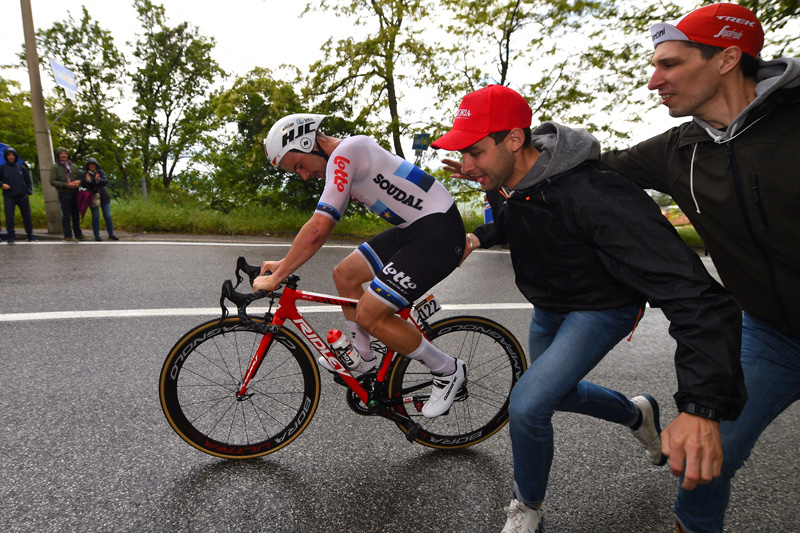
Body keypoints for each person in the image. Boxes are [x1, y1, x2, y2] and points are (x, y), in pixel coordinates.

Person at [432, 84, 745, 532]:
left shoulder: (594, 193)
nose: (465, 165)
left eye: (474, 152)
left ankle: (528, 508)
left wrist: (703, 401)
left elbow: (688, 288)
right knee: (557, 394)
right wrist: (480, 234)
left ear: (515, 140)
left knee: (528, 404)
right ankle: (638, 413)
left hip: (602, 308)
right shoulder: (512, 182)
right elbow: (518, 215)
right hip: (550, 306)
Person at [598, 4, 800, 532]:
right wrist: (519, 150)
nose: (653, 80)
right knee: (697, 459)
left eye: (669, 64)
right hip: (771, 332)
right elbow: (596, 170)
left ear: (727, 58)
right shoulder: (678, 148)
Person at [255, 113, 468, 418]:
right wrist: (284, 264)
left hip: (438, 234)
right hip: (416, 229)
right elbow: (320, 226)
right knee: (345, 275)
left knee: (370, 314)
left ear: (308, 143)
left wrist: (280, 274)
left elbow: (320, 228)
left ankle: (448, 370)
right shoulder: (344, 157)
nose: (302, 175)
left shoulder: (346, 153)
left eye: (299, 166)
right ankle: (364, 354)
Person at [0, 146, 36, 244]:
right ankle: (11, 236)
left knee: (27, 216)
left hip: (22, 195)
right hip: (9, 196)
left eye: (12, 154)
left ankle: (30, 234)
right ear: (6, 156)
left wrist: (28, 192)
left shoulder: (22, 168)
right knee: (9, 217)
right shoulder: (2, 168)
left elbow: (29, 182)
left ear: (15, 156)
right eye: (9, 155)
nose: (11, 156)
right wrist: (2, 184)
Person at [50, 147, 86, 242]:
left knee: (75, 214)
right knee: (66, 214)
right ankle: (68, 236)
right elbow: (52, 181)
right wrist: (66, 184)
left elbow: (81, 178)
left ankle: (78, 234)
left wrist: (79, 181)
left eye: (65, 153)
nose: (63, 155)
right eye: (61, 153)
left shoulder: (73, 166)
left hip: (75, 192)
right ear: (58, 156)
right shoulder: (55, 167)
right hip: (63, 192)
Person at [81, 157, 119, 241]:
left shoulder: (100, 172)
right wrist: (88, 181)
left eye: (93, 164)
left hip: (103, 196)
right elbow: (84, 185)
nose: (92, 166)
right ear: (87, 166)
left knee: (107, 215)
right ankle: (96, 235)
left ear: (96, 165)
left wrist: (98, 179)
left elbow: (105, 181)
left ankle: (111, 233)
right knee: (96, 216)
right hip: (93, 197)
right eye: (90, 164)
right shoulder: (85, 174)